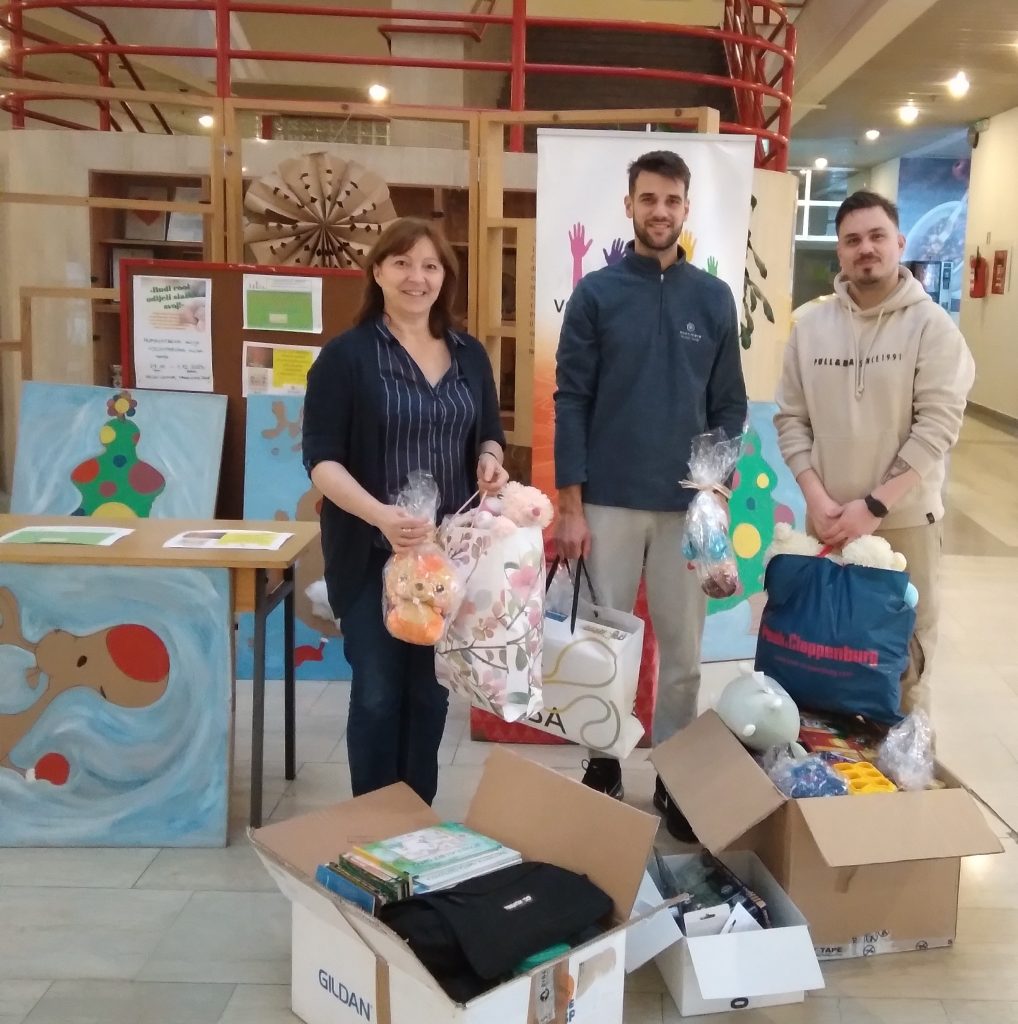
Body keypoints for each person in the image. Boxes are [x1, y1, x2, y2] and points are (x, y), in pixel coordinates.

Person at [554, 150, 748, 839]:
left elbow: (729, 406)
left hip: (688, 510)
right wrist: (570, 505)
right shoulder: (596, 294)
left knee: (683, 656)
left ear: (686, 209)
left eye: (671, 200)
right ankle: (602, 762)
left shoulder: (713, 298)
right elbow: (571, 399)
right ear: (629, 205)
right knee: (603, 646)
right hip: (607, 500)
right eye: (648, 199)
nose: (659, 211)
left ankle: (674, 772)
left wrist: (713, 492)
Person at [302, 217, 508, 805]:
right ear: (377, 272)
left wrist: (490, 460)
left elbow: (489, 433)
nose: (417, 277)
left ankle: (416, 819)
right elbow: (321, 459)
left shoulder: (469, 354)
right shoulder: (346, 357)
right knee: (377, 691)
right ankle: (375, 821)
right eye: (402, 263)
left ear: (445, 277)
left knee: (429, 694)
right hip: (371, 553)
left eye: (430, 266)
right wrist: (381, 515)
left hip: (445, 561)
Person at [775, 190, 975, 715]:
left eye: (877, 236)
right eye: (852, 240)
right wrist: (816, 499)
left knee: (903, 663)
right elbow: (791, 421)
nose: (865, 248)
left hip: (904, 523)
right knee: (824, 655)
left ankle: (906, 764)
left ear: (899, 243)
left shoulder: (932, 327)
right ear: (839, 252)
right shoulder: (809, 329)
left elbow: (937, 427)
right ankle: (830, 762)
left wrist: (876, 505)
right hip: (829, 523)